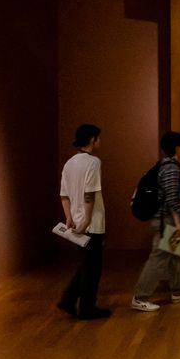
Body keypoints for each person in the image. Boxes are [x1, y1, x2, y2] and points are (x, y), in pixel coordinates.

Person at [132, 131, 180, 311]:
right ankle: (141, 297)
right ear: (178, 147)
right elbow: (172, 198)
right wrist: (178, 224)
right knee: (159, 258)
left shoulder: (165, 165)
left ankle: (178, 292)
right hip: (168, 222)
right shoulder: (170, 168)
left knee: (174, 256)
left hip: (168, 221)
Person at [58, 123, 111, 320]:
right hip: (92, 224)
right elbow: (90, 192)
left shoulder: (70, 163)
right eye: (98, 138)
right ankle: (87, 308)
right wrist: (87, 219)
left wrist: (70, 218)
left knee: (86, 265)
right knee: (93, 269)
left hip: (76, 223)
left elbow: (64, 194)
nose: (99, 141)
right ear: (92, 140)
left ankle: (68, 300)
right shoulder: (93, 162)